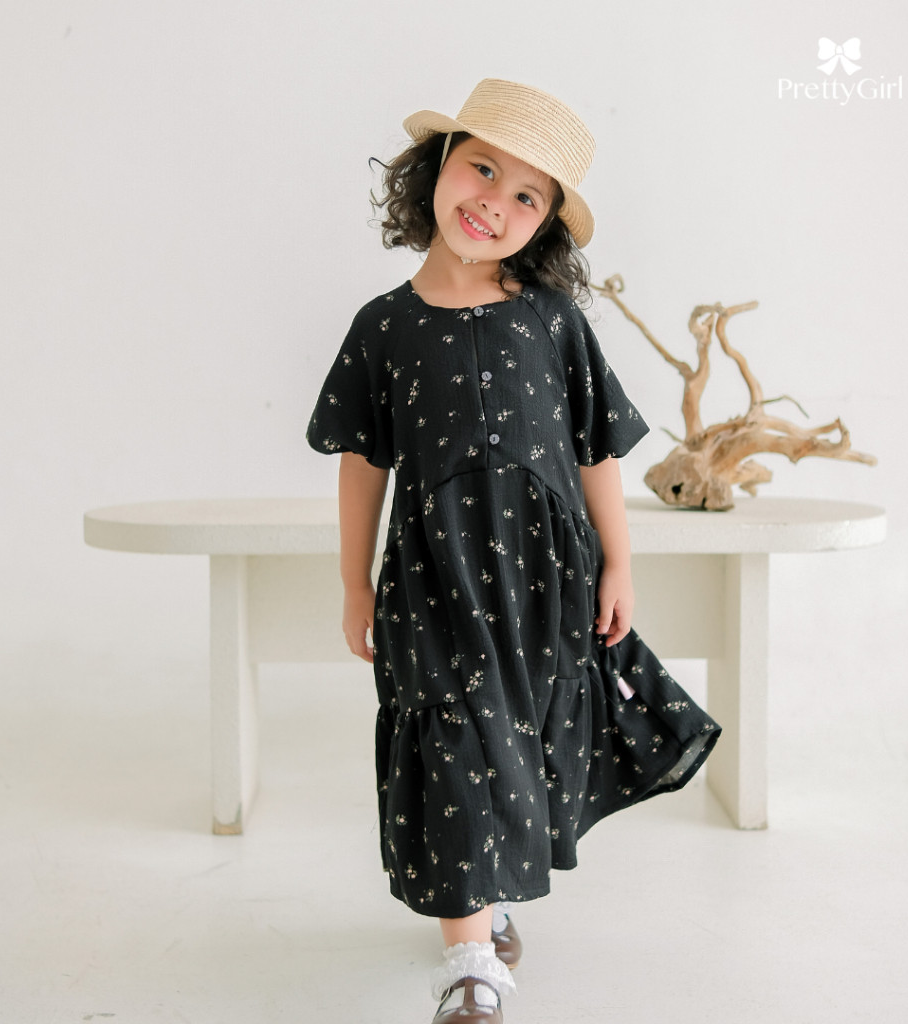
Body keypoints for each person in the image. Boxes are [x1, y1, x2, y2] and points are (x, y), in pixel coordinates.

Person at [306, 79, 720, 1024]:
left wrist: (620, 564)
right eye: (482, 169)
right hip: (435, 579)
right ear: (435, 169)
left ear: (544, 226)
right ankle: (470, 965)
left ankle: (486, 903)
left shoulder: (554, 321)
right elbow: (363, 464)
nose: (494, 201)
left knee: (522, 742)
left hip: (547, 584)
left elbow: (596, 452)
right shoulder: (383, 327)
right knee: (453, 740)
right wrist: (353, 584)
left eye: (526, 195)